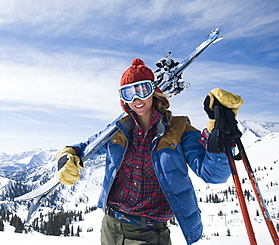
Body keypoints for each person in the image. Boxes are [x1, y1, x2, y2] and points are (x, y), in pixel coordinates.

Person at [55, 58, 235, 245]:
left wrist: (219, 136)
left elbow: (214, 174)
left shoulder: (179, 129)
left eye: (142, 90)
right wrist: (66, 156)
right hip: (110, 228)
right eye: (128, 93)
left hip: (149, 233)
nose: (136, 99)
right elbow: (85, 147)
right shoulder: (119, 130)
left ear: (153, 91)